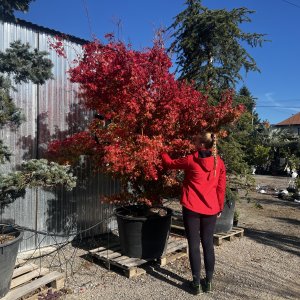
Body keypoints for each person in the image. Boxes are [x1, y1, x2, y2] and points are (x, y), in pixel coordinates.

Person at [161, 132, 226, 295]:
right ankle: (209, 282)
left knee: (194, 244)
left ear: (202, 145)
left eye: (196, 141)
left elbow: (169, 163)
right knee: (208, 244)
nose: (194, 143)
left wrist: (162, 150)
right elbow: (220, 188)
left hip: (191, 208)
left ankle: (196, 284)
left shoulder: (191, 160)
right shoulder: (219, 164)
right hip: (211, 209)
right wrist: (219, 207)